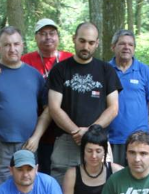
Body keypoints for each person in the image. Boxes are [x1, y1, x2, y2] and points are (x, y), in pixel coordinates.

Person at [0, 18, 73, 175]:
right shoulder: (26, 60)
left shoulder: (69, 59)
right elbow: (6, 64)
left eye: (52, 33)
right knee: (33, 175)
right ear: (35, 37)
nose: (48, 37)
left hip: (65, 131)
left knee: (64, 176)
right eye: (43, 33)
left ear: (58, 36)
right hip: (35, 135)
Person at [0, 26, 50, 188]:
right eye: (7, 45)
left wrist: (36, 137)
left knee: (27, 188)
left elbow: (48, 110)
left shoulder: (34, 75)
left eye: (16, 44)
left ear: (22, 46)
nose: (12, 49)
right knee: (0, 189)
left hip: (28, 144)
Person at [48, 22, 122, 185]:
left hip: (98, 141)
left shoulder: (107, 71)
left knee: (103, 191)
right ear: (74, 39)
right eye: (82, 41)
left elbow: (113, 108)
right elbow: (54, 107)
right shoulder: (60, 70)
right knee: (60, 193)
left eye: (90, 42)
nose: (85, 46)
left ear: (97, 43)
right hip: (67, 141)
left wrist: (90, 132)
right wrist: (76, 132)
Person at [107, 29, 149, 166]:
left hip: (140, 140)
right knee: (113, 175)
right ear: (113, 47)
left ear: (134, 48)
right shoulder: (105, 70)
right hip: (112, 138)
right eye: (122, 44)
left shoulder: (145, 71)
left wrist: (136, 115)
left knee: (138, 176)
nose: (126, 47)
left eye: (130, 44)